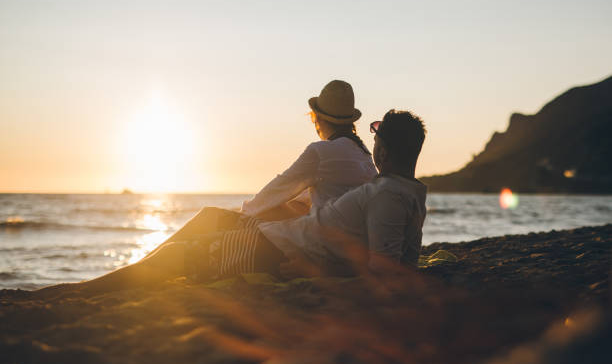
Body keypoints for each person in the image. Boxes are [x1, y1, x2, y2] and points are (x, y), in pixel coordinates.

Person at [59, 109, 426, 294]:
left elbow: (383, 274)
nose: (372, 144)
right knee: (185, 251)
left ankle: (81, 291)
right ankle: (91, 287)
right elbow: (401, 264)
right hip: (288, 240)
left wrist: (313, 272)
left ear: (386, 152)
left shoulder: (386, 196)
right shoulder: (411, 195)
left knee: (178, 256)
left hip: (278, 249)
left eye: (378, 141)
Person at [141, 79, 377, 254]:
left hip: (320, 246)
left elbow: (275, 190)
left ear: (319, 118)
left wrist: (242, 214)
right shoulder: (363, 156)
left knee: (208, 217)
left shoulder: (321, 152)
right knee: (273, 211)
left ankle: (148, 261)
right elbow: (304, 201)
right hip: (345, 246)